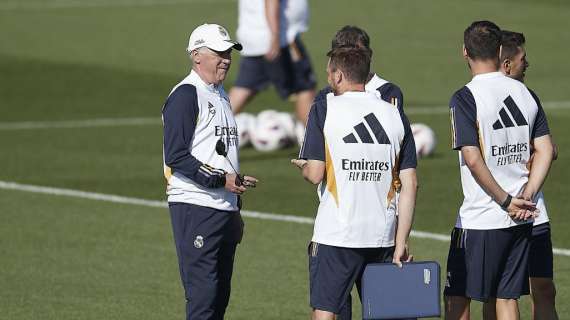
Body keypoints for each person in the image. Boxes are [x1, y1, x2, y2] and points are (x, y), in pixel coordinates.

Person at [292, 46, 418, 320]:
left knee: (326, 313)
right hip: (382, 236)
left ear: (338, 76)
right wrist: (401, 241)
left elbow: (315, 173)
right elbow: (410, 185)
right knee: (390, 314)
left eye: (329, 73)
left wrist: (305, 166)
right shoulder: (394, 114)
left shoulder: (324, 108)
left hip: (337, 235)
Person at [444, 21, 554, 320]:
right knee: (506, 299)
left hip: (482, 218)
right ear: (498, 51)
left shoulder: (465, 98)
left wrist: (506, 201)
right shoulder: (525, 93)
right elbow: (546, 149)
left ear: (464, 52)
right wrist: (526, 196)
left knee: (458, 300)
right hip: (522, 218)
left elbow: (472, 157)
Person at [161, 23, 258, 320]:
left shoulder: (220, 94)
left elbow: (220, 156)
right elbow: (177, 155)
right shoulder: (185, 95)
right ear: (196, 55)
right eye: (219, 52)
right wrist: (220, 180)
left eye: (228, 52)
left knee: (219, 298)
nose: (226, 58)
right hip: (195, 206)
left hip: (222, 208)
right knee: (203, 298)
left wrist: (235, 207)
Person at [482, 30, 559, 320]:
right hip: (494, 212)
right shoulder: (480, 99)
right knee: (496, 293)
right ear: (506, 65)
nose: (528, 64)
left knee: (544, 287)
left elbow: (546, 148)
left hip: (534, 210)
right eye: (522, 59)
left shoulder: (528, 97)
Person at [229, 0, 316, 125]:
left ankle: (207, 130)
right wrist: (275, 37)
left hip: (256, 36)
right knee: (304, 88)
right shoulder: (276, 37)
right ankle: (315, 139)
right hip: (279, 39)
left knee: (243, 88)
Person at [315, 25, 405, 112]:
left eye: (357, 54)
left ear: (369, 55)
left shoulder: (387, 92)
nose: (350, 60)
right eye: (343, 55)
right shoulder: (324, 96)